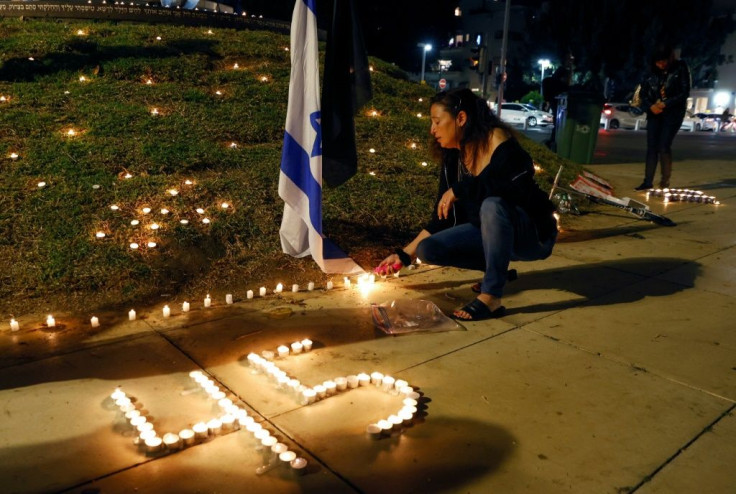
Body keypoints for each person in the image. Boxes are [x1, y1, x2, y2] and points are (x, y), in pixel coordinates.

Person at [376, 88, 558, 321]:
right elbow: (443, 217)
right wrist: (403, 255)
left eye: (437, 122)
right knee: (428, 249)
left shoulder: (499, 141)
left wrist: (461, 190)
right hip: (491, 233)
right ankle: (497, 269)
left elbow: (512, 185)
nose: (432, 130)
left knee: (492, 205)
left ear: (461, 118)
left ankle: (491, 296)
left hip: (532, 234)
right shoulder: (454, 155)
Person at [634, 45, 691, 190]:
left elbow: (684, 92)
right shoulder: (649, 73)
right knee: (651, 147)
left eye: (663, 61)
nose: (661, 65)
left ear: (669, 58)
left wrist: (665, 104)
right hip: (654, 113)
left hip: (673, 113)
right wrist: (650, 106)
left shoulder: (680, 67)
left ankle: (664, 182)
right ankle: (647, 182)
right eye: (658, 62)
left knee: (664, 146)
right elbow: (642, 94)